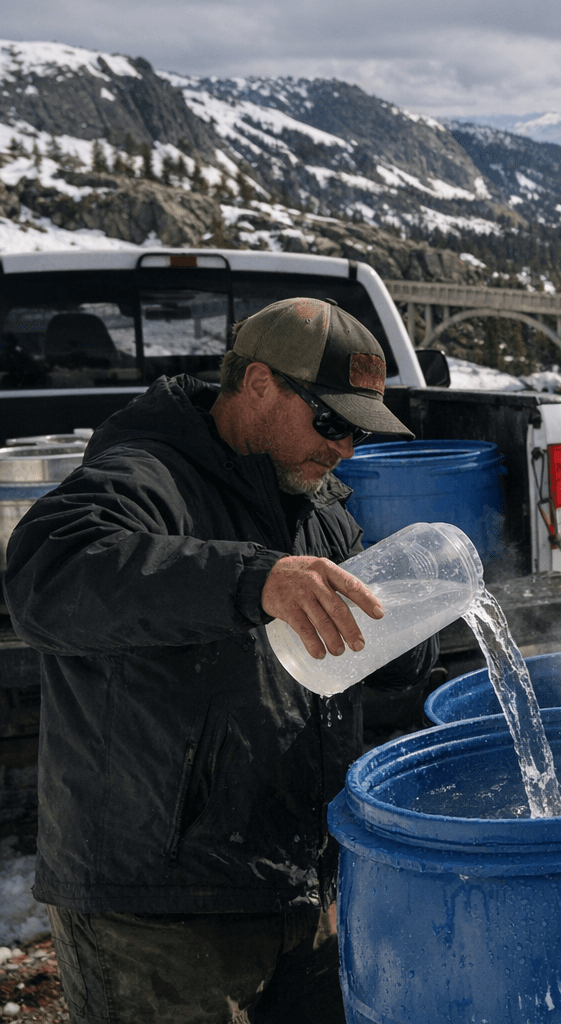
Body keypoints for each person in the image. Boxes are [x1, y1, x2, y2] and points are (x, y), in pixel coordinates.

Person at [4, 297, 439, 1022]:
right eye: (331, 422)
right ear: (260, 385)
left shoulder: (318, 506)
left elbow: (359, 653)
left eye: (358, 431)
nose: (345, 450)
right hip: (158, 914)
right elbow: (50, 573)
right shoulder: (147, 474)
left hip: (297, 890)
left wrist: (407, 633)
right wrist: (253, 580)